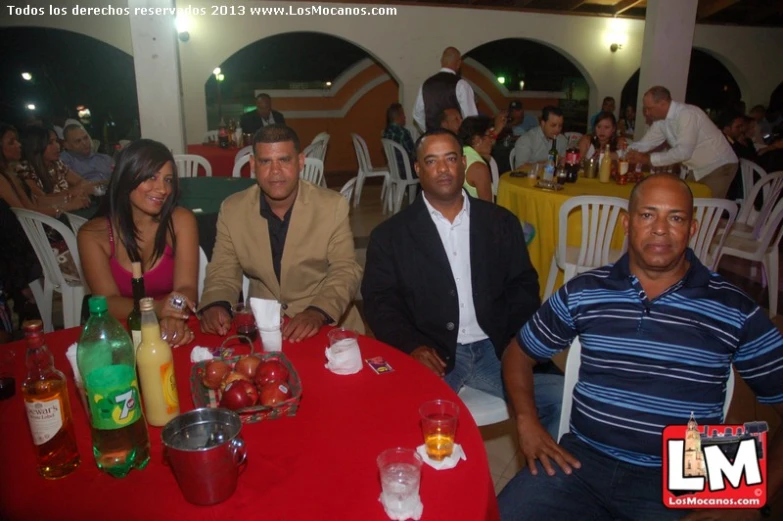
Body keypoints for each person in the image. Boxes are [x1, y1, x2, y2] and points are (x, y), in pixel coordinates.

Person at [497, 174, 783, 521]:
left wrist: (757, 494)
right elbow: (518, 353)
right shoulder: (585, 291)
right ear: (626, 223)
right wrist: (527, 421)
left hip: (684, 471)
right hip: (582, 460)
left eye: (675, 217)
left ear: (692, 228)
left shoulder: (733, 307)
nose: (661, 229)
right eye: (648, 215)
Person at [362, 129, 563, 439]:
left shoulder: (500, 222)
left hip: (496, 347)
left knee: (564, 398)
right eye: (432, 161)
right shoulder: (391, 235)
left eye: (451, 159)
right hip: (433, 352)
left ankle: (545, 485)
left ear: (463, 165)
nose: (443, 169)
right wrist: (411, 345)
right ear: (418, 169)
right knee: (398, 424)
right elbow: (379, 300)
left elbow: (523, 285)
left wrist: (516, 339)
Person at [199, 125, 363, 340]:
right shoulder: (232, 209)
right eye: (265, 161)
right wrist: (215, 303)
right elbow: (223, 270)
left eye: (284, 160)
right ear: (253, 165)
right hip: (263, 326)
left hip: (326, 325)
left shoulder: (332, 206)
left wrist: (318, 312)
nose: (275, 171)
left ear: (301, 162)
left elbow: (345, 270)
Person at [78, 139, 199, 347]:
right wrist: (156, 309)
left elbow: (186, 287)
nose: (162, 189)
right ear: (126, 177)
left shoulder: (180, 220)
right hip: (122, 335)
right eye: (151, 177)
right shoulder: (92, 235)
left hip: (173, 327)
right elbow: (108, 300)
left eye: (168, 180)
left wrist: (174, 313)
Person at [627, 86, 738, 199]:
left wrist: (647, 159)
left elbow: (683, 152)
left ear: (663, 103)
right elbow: (645, 143)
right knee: (686, 205)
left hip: (719, 165)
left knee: (706, 212)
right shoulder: (660, 121)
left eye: (649, 108)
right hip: (697, 169)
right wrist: (626, 150)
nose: (646, 113)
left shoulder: (687, 114)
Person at [413, 47, 478, 132]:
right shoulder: (461, 85)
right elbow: (471, 119)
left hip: (432, 139)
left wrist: (428, 130)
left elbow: (417, 114)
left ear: (441, 61)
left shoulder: (426, 84)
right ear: (458, 63)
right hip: (453, 140)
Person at [458, 115, 497, 201]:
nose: (492, 141)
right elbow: (487, 207)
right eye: (489, 136)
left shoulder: (458, 154)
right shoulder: (478, 167)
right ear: (477, 140)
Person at [382, 103, 416, 180]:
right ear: (398, 117)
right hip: (406, 172)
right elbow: (413, 153)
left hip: (394, 170)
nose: (405, 117)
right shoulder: (403, 133)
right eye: (403, 114)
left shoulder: (386, 132)